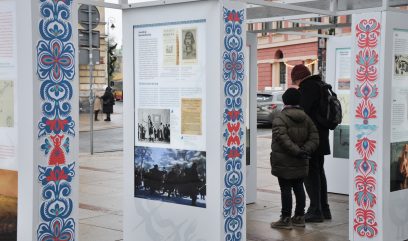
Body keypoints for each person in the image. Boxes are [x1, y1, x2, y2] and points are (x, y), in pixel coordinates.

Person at [270, 88, 319, 230]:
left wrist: (297, 152)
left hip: (284, 161)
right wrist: (304, 151)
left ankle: (285, 219)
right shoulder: (307, 118)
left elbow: (282, 139)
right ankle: (299, 217)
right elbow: (315, 138)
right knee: (299, 187)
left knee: (285, 188)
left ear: (284, 101)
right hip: (301, 160)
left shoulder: (280, 118)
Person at [291, 64, 332, 222]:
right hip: (321, 137)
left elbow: (302, 113)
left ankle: (315, 210)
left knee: (311, 174)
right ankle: (324, 208)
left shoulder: (307, 87)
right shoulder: (320, 84)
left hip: (311, 139)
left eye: (295, 81)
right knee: (319, 172)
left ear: (299, 78)